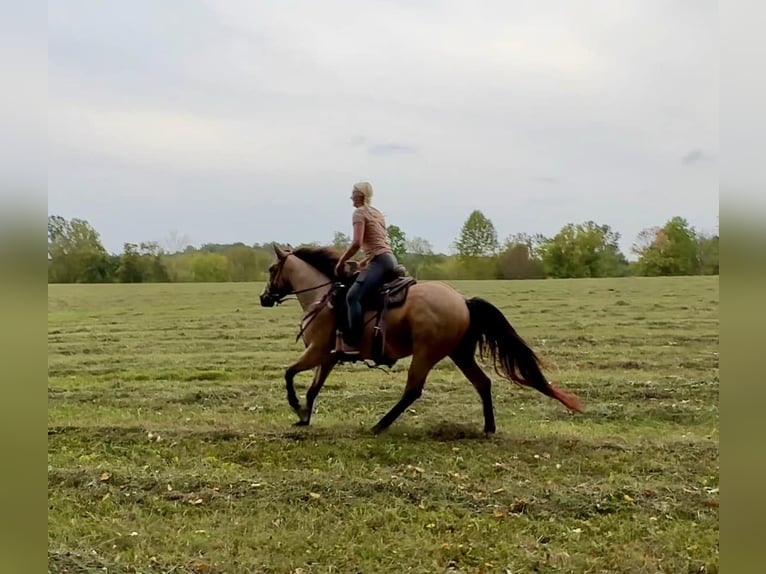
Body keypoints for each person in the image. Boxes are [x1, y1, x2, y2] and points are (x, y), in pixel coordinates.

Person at [333, 181, 398, 356]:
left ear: (360, 195)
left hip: (379, 261)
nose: (351, 196)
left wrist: (341, 262)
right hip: (389, 259)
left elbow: (356, 243)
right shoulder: (377, 213)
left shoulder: (359, 213)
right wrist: (363, 263)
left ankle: (353, 343)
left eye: (353, 192)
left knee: (353, 297)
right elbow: (378, 243)